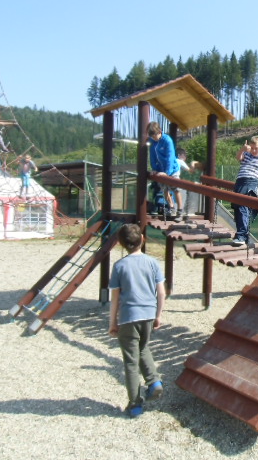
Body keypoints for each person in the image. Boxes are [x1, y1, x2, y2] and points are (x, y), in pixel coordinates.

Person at [108, 223, 166, 418]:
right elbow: (161, 292)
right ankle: (154, 381)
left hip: (129, 317)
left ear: (121, 244)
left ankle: (135, 404)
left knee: (131, 362)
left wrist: (112, 322)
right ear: (142, 239)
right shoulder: (152, 262)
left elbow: (115, 298)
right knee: (143, 347)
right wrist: (158, 315)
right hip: (148, 314)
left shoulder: (119, 266)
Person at [148, 122, 179, 218]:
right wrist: (154, 169)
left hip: (172, 169)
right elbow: (152, 156)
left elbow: (170, 157)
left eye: (155, 136)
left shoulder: (167, 140)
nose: (154, 138)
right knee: (164, 189)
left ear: (160, 132)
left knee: (175, 189)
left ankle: (180, 210)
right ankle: (171, 207)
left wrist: (167, 173)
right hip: (161, 169)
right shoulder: (152, 141)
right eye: (152, 136)